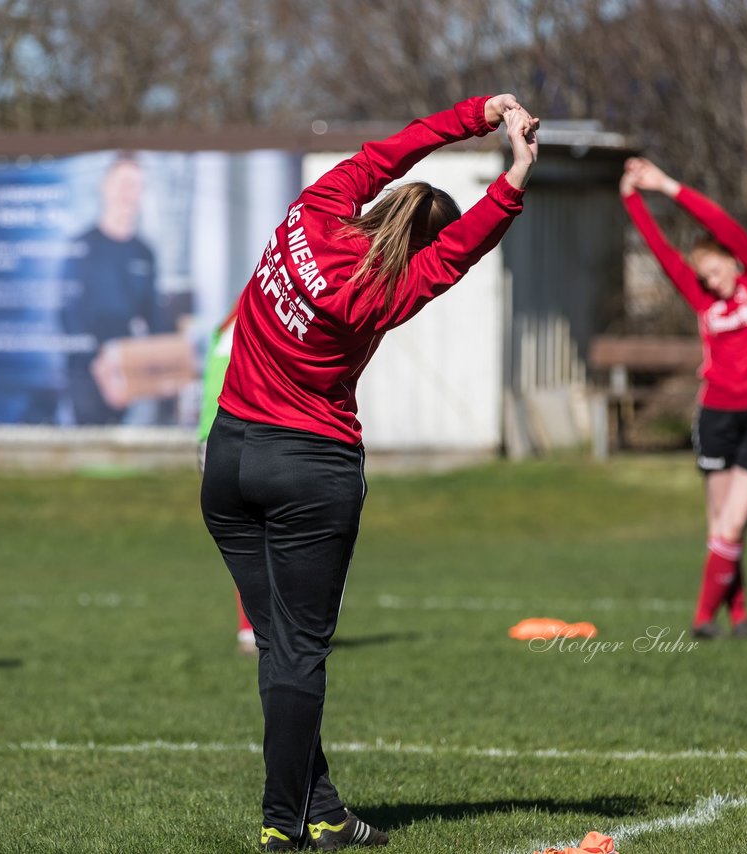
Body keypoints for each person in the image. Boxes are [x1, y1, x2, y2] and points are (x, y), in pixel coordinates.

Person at [201, 94, 539, 850]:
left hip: (227, 464)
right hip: (306, 469)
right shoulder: (381, 290)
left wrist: (478, 113)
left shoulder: (313, 209)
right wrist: (516, 175)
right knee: (297, 653)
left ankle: (320, 812)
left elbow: (396, 149)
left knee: (280, 649)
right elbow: (462, 249)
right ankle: (281, 825)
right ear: (423, 242)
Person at [619, 157, 747, 639]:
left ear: (734, 259)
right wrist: (632, 200)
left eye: (715, 271)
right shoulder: (702, 300)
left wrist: (667, 186)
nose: (712, 283)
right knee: (721, 527)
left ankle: (700, 620)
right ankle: (737, 618)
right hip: (717, 416)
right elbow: (659, 250)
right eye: (705, 276)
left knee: (732, 524)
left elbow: (720, 224)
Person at [63, 154, 172, 425]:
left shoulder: (144, 252)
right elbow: (68, 316)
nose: (128, 193)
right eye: (122, 183)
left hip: (127, 372)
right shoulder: (81, 247)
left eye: (135, 185)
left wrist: (167, 360)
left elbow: (153, 317)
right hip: (86, 374)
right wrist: (101, 367)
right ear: (105, 186)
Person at [196, 307, 258, 657]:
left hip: (213, 436)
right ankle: (258, 628)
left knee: (247, 535)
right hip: (231, 434)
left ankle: (252, 629)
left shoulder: (223, 329)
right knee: (257, 534)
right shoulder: (248, 323)